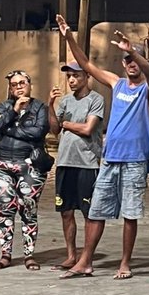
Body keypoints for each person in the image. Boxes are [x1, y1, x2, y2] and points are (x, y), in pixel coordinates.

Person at [56, 15, 149, 280]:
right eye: (127, 61)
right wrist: (69, 37)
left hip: (135, 159)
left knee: (130, 214)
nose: (131, 64)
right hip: (110, 158)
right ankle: (85, 262)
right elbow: (86, 65)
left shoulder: (148, 89)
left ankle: (125, 263)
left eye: (135, 60)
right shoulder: (117, 83)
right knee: (96, 210)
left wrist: (134, 52)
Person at [0, 70, 50, 271]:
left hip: (29, 164)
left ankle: (29, 255)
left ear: (29, 84)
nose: (19, 86)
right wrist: (13, 111)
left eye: (22, 82)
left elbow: (39, 131)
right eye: (14, 84)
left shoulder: (39, 107)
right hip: (2, 164)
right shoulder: (5, 106)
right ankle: (5, 255)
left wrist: (10, 129)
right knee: (5, 209)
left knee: (28, 209)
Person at [48, 60, 105, 278]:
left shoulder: (96, 100)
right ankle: (71, 255)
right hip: (64, 162)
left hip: (86, 163)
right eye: (69, 76)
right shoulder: (65, 101)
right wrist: (50, 106)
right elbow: (54, 129)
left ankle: (86, 258)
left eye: (76, 76)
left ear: (86, 77)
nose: (71, 80)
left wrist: (66, 124)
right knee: (66, 211)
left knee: (88, 212)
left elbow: (88, 129)